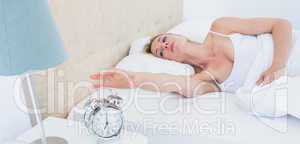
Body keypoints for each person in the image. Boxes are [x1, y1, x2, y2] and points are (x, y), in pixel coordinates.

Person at [90, 17, 298, 97]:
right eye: (160, 52)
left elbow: (281, 25)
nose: (164, 46)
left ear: (177, 34)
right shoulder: (203, 80)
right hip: (286, 86)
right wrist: (129, 79)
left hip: (289, 53)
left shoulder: (221, 27)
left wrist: (277, 64)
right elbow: (162, 82)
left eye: (163, 39)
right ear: (170, 61)